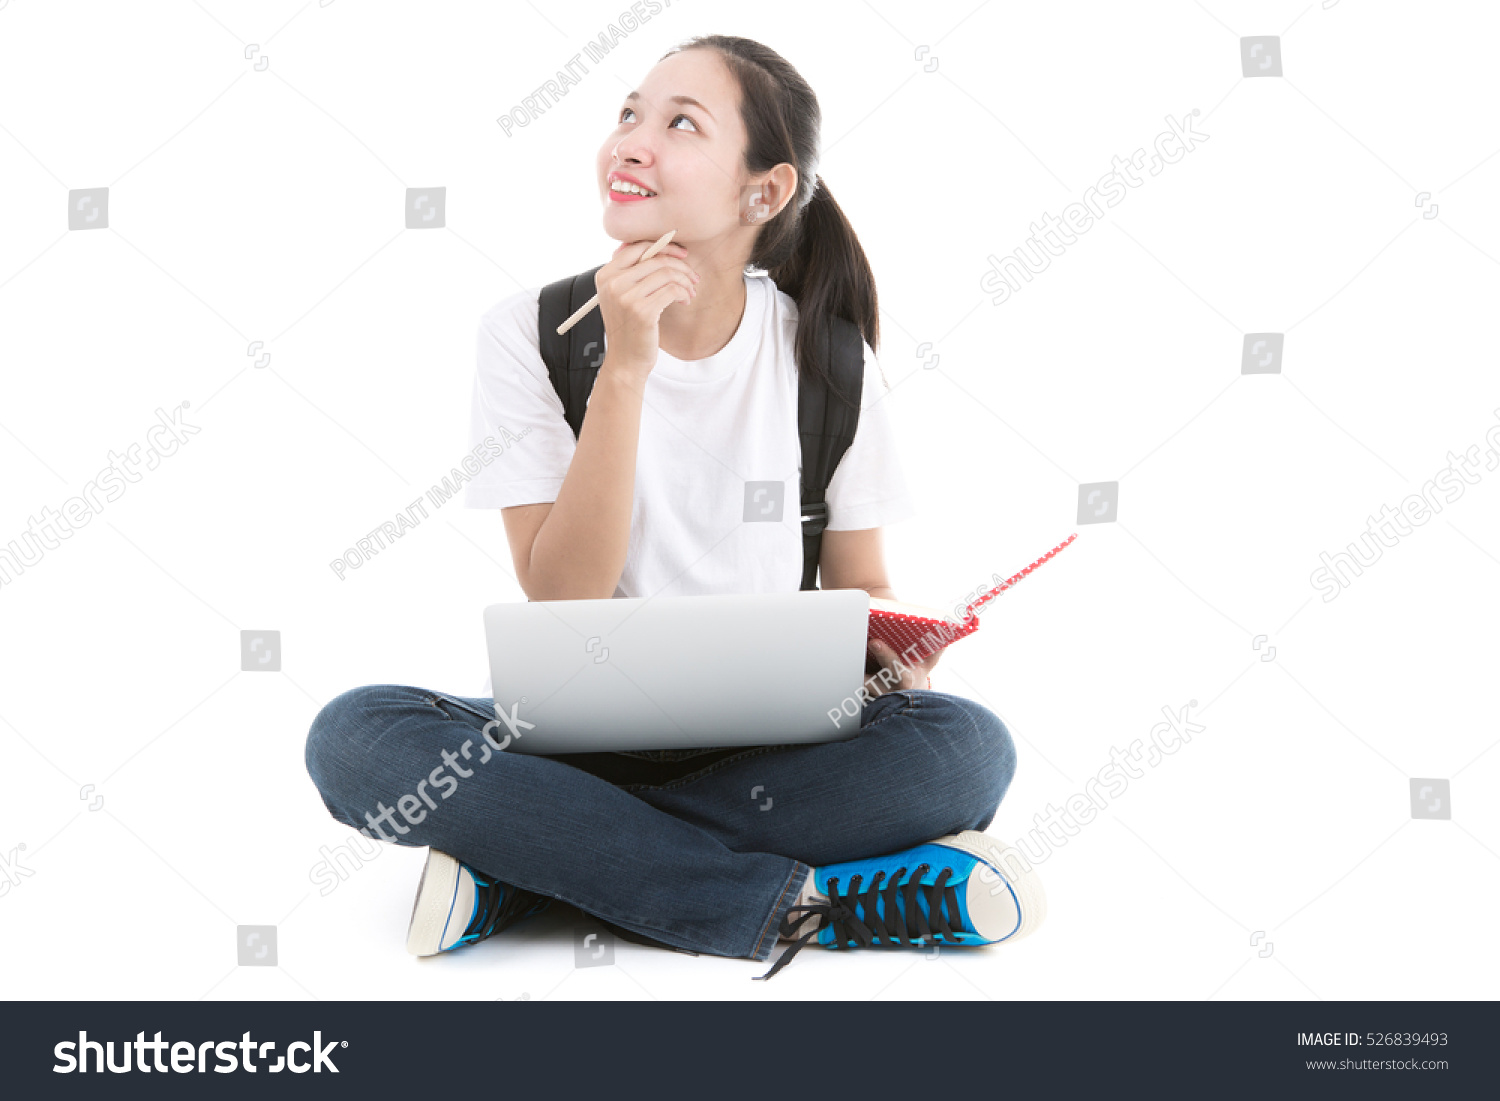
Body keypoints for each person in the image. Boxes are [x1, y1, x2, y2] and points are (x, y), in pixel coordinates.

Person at [304, 34, 1045, 982]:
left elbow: (860, 584)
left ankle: (530, 867)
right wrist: (626, 366)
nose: (631, 142)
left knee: (967, 747)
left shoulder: (830, 357)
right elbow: (562, 596)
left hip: (772, 749)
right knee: (356, 735)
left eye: (679, 123)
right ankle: (796, 906)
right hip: (577, 743)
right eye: (627, 114)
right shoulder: (530, 335)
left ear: (762, 192)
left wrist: (893, 651)